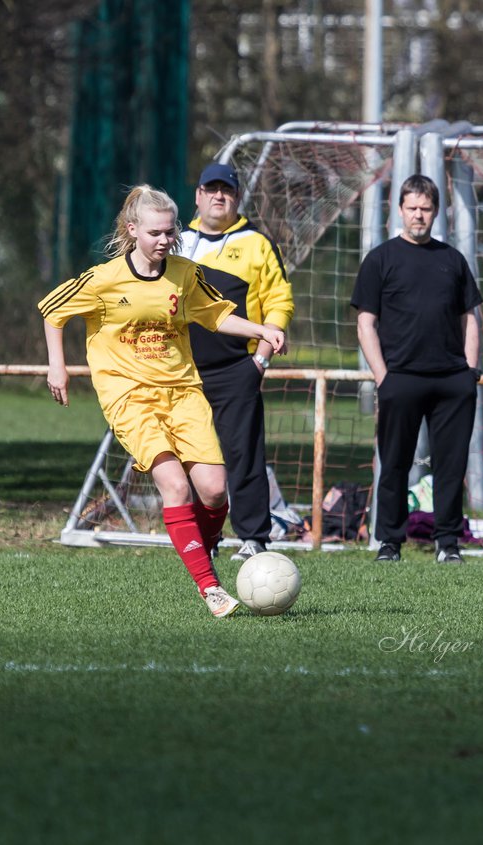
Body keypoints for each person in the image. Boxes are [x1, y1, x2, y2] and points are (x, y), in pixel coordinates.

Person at [41, 184, 285, 617]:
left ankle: (202, 550)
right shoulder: (104, 279)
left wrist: (261, 331)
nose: (164, 240)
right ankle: (209, 588)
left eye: (170, 232)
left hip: (183, 392)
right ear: (133, 230)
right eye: (155, 233)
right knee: (174, 485)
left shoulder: (185, 273)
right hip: (129, 396)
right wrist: (56, 366)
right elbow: (53, 310)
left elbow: (217, 314)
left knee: (212, 490)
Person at [351, 174, 482, 564]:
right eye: (412, 208)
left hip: (451, 381)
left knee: (450, 465)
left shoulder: (452, 260)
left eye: (426, 208)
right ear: (400, 209)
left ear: (436, 211)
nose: (419, 215)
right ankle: (390, 543)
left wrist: (470, 372)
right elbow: (365, 323)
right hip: (400, 380)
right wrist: (382, 376)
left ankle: (448, 543)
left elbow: (471, 317)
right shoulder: (381, 259)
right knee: (394, 463)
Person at [179, 163, 294, 562]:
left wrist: (259, 362)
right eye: (210, 189)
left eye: (225, 190)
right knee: (192, 457)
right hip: (182, 372)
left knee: (244, 454)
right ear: (197, 195)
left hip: (236, 371)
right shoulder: (175, 242)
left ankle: (254, 538)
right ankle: (200, 537)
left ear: (236, 196)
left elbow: (280, 300)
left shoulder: (256, 243)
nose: (218, 196)